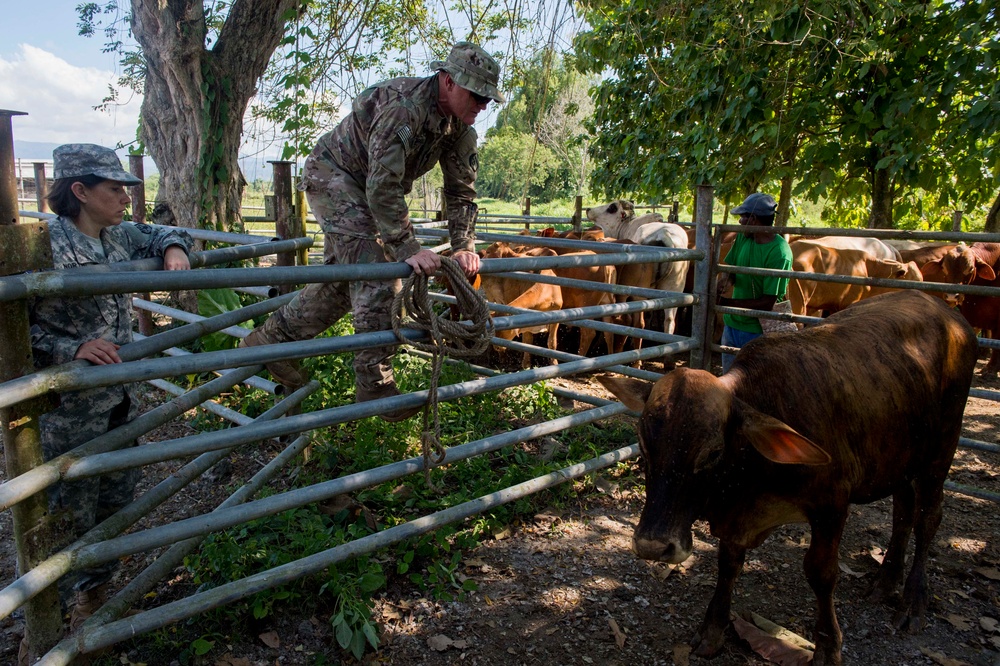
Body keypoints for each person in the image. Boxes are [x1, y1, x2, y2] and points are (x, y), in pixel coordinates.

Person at [241, 41, 502, 421]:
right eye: (476, 94)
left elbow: (461, 193)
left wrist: (463, 245)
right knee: (379, 271)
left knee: (344, 280)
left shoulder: (460, 129)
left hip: (370, 187)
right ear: (448, 81)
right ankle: (374, 385)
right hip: (335, 175)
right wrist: (406, 246)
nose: (482, 105)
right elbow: (382, 185)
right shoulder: (404, 108)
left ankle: (269, 342)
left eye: (488, 99)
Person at [28, 144, 193, 636]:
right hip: (68, 408)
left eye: (125, 189)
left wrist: (174, 248)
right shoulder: (41, 246)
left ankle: (94, 600)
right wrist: (70, 347)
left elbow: (166, 231)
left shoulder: (118, 236)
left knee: (114, 501)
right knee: (66, 512)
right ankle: (47, 625)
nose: (125, 198)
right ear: (79, 191)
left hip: (120, 397)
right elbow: (11, 327)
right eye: (114, 188)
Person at [715, 193, 793, 373]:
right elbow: (732, 267)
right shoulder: (743, 237)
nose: (740, 221)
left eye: (743, 217)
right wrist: (726, 280)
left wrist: (728, 303)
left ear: (753, 219)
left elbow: (767, 302)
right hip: (732, 325)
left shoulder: (779, 253)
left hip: (758, 332)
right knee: (730, 379)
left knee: (754, 381)